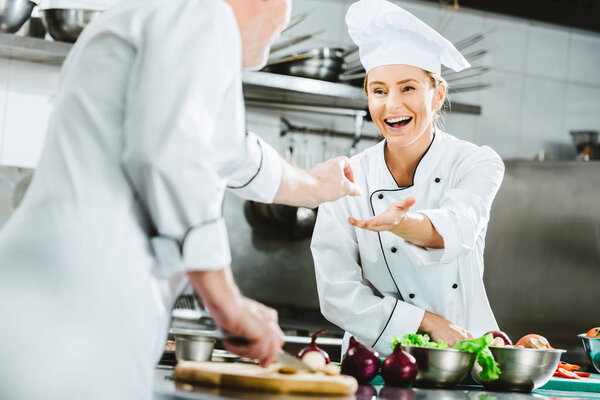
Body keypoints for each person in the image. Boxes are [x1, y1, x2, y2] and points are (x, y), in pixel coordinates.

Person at [0, 0, 361, 398]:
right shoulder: (202, 13)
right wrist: (226, 301)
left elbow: (231, 154)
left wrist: (314, 184)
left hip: (69, 300)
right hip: (70, 305)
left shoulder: (178, 23)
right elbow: (176, 155)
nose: (288, 14)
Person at [311, 0, 505, 357]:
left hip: (468, 355)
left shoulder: (477, 162)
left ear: (438, 96)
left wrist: (401, 223)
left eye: (408, 88)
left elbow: (459, 227)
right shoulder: (348, 177)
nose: (392, 105)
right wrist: (427, 324)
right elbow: (337, 291)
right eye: (379, 90)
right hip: (376, 360)